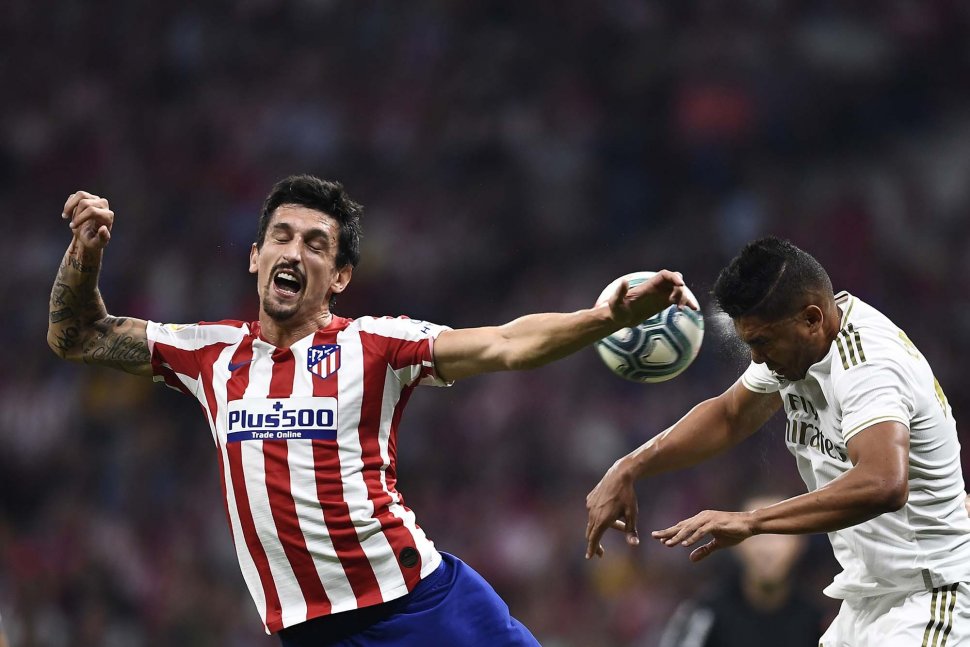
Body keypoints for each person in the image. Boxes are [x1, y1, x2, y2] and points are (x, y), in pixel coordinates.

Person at [47, 175, 697, 646]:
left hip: (424, 609)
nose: (293, 252)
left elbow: (505, 342)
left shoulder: (374, 344)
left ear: (340, 276)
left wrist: (604, 317)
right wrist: (86, 254)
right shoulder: (208, 352)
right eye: (281, 236)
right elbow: (76, 335)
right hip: (309, 634)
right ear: (255, 256)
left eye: (315, 244)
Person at [586, 237, 970, 646]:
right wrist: (629, 465)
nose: (755, 358)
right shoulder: (801, 346)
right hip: (869, 600)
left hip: (935, 592)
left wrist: (752, 522)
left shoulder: (868, 367)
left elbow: (883, 483)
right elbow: (730, 415)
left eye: (761, 343)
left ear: (812, 319)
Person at [656, 494, 823, 647]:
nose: (767, 550)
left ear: (800, 543)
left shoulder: (819, 621)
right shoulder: (704, 614)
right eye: (756, 535)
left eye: (778, 534)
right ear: (735, 543)